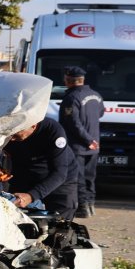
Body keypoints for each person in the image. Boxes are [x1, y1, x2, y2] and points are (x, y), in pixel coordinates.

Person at [0, 119, 79, 220]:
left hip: (58, 181)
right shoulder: (7, 130)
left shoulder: (52, 130)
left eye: (16, 135)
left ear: (33, 125)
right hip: (25, 174)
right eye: (9, 135)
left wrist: (31, 196)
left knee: (59, 224)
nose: (12, 139)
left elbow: (60, 173)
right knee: (16, 220)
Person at [58, 66, 103, 218]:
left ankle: (83, 207)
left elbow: (73, 123)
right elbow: (101, 113)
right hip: (94, 144)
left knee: (79, 177)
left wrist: (87, 139)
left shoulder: (71, 98)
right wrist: (92, 140)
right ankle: (90, 204)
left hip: (78, 145)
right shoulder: (96, 95)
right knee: (90, 177)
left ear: (68, 80)